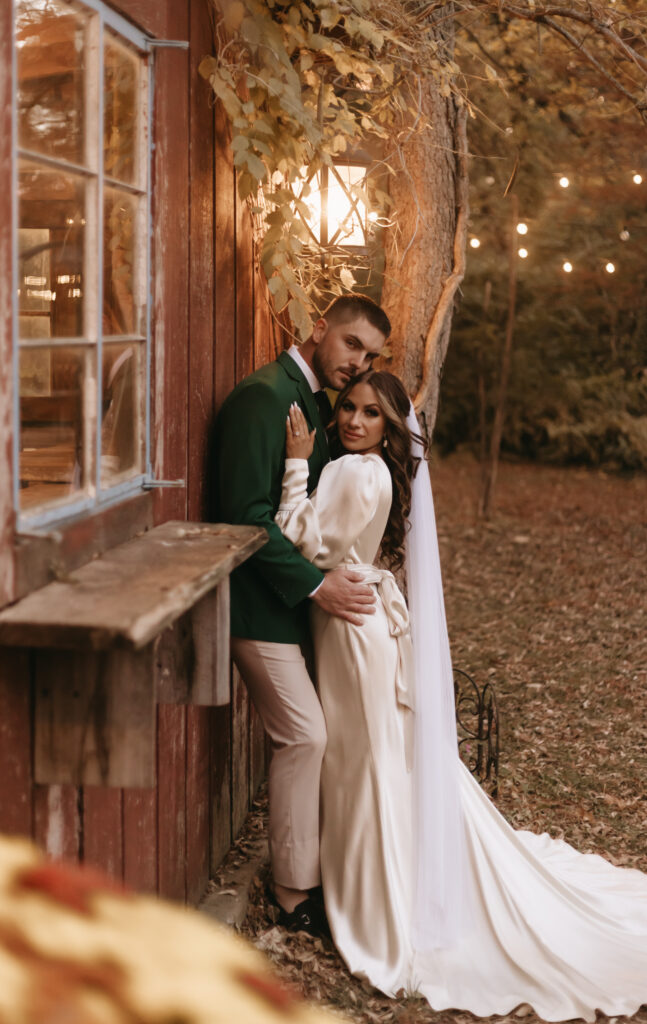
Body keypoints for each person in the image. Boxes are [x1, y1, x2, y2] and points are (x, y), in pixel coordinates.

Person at [275, 370, 647, 1023]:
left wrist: (296, 467)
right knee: (372, 760)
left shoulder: (354, 472)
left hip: (351, 630)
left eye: (370, 415)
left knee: (364, 767)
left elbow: (300, 539)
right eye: (347, 408)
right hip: (362, 623)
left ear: (389, 429)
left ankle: (378, 906)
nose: (353, 421)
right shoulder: (369, 469)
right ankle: (371, 885)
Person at [215, 294, 390, 936]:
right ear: (320, 328)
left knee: (324, 737)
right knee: (306, 736)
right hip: (259, 609)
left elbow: (311, 512)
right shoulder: (267, 396)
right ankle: (295, 897)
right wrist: (318, 588)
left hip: (297, 612)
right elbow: (246, 516)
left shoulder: (317, 401)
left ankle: (321, 873)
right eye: (350, 344)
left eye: (369, 355)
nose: (357, 362)